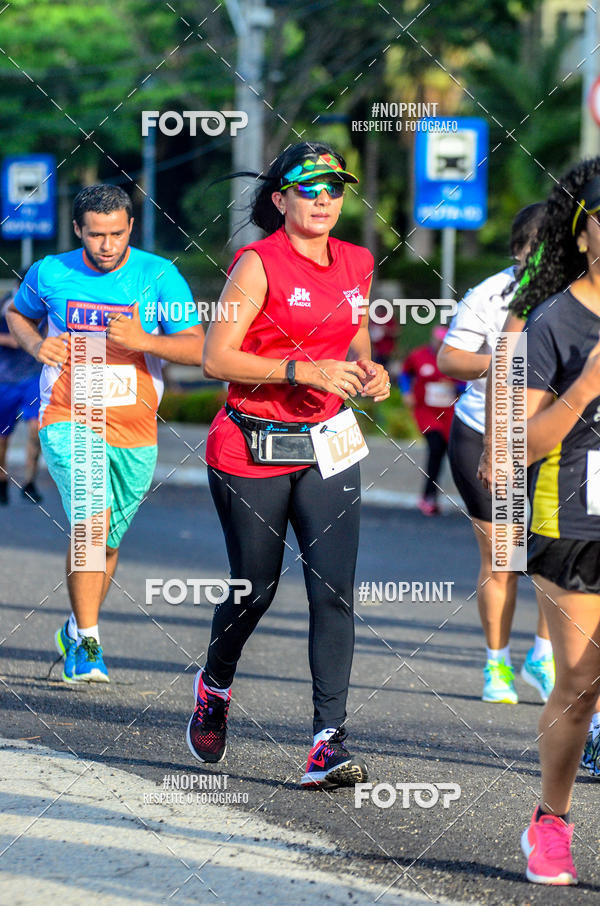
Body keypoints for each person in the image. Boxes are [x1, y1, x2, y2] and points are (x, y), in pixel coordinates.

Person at [187, 141, 390, 789]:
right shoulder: (257, 263)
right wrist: (303, 369)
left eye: (334, 186)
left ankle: (326, 741)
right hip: (252, 442)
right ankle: (215, 685)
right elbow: (217, 359)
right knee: (257, 587)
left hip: (328, 440)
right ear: (281, 200)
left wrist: (366, 368)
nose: (325, 198)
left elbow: (352, 336)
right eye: (310, 187)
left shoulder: (357, 262)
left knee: (334, 591)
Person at [7, 184, 204, 684]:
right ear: (78, 230)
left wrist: (144, 340)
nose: (107, 245)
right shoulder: (50, 271)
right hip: (68, 415)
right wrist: (35, 344)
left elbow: (199, 347)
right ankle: (90, 643)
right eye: (96, 235)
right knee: (91, 528)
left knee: (108, 540)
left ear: (130, 228)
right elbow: (17, 313)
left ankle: (75, 627)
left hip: (135, 427)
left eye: (117, 233)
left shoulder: (159, 275)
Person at [507, 158, 600, 885]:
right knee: (579, 681)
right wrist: (589, 385)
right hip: (574, 517)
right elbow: (524, 442)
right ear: (583, 230)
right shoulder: (555, 319)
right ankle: (552, 821)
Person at [437, 204, 555, 706]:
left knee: (558, 554)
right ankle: (497, 663)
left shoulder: (581, 293)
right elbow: (450, 359)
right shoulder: (490, 294)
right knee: (505, 558)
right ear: (520, 250)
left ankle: (544, 656)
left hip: (554, 441)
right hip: (490, 437)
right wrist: (511, 359)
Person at [400, 325, 460, 515]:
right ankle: (428, 497)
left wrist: (455, 385)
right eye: (437, 341)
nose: (439, 345)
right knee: (435, 448)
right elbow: (404, 373)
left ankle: (473, 499)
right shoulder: (419, 355)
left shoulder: (456, 358)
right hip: (427, 412)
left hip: (450, 413)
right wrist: (406, 392)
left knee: (454, 455)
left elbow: (469, 382)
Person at [0, 271, 44, 504]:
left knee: (36, 429)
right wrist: (10, 340)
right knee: (2, 436)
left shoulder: (45, 306)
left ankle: (29, 482)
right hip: (4, 379)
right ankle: (2, 480)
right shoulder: (5, 304)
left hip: (32, 378)